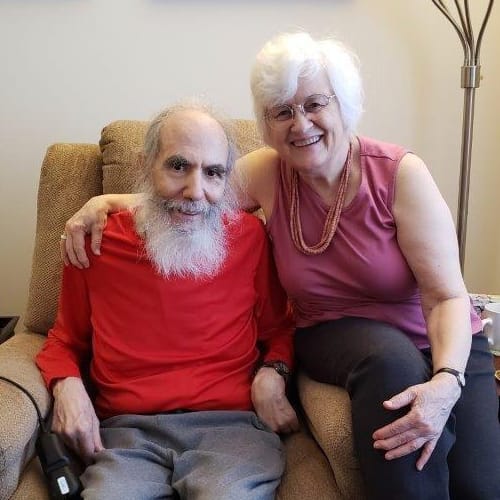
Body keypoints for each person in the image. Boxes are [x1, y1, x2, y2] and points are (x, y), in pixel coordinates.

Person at [61, 33, 500, 499]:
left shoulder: (399, 174)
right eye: (282, 111)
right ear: (267, 122)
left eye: (314, 104)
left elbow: (447, 297)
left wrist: (447, 382)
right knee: (389, 360)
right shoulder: (267, 172)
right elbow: (192, 195)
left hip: (440, 334)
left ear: (344, 104)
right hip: (339, 334)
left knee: (482, 485)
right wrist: (103, 200)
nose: (301, 123)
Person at [36, 102, 300, 500]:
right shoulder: (95, 241)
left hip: (231, 431)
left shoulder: (249, 237)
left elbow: (280, 329)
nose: (196, 192)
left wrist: (274, 372)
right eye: (178, 166)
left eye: (213, 173)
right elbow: (63, 338)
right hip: (127, 434)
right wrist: (66, 385)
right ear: (147, 166)